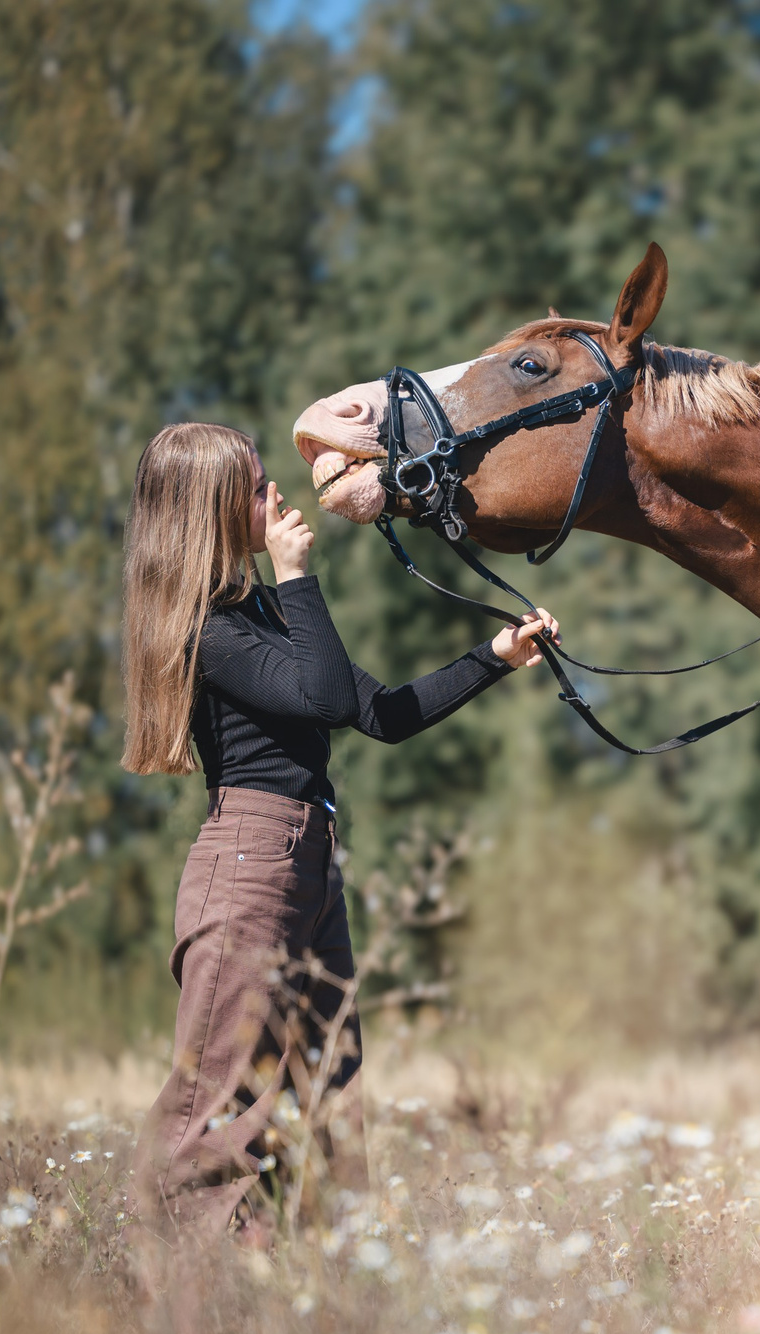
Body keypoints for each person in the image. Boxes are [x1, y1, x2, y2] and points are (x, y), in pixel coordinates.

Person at [119, 421, 556, 1238]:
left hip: (306, 866)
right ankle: (160, 1300)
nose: (276, 491)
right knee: (218, 1104)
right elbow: (323, 701)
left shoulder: (261, 617)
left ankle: (283, 1295)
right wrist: (296, 576)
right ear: (214, 512)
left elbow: (378, 714)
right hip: (250, 861)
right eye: (256, 487)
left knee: (319, 1094)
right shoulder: (210, 633)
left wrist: (496, 656)